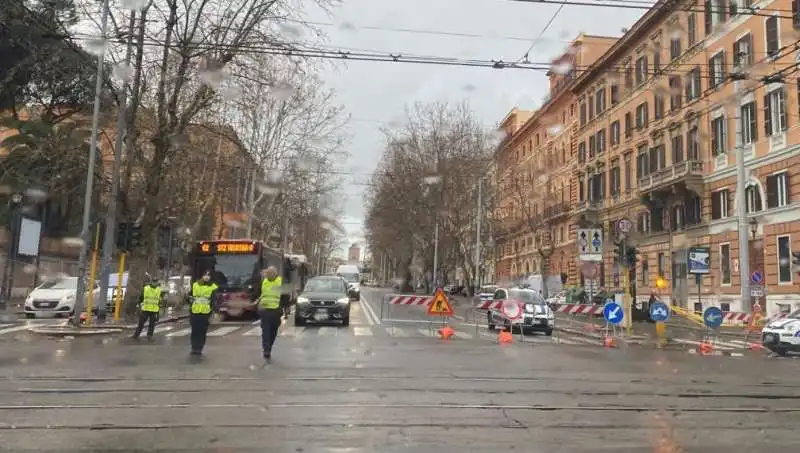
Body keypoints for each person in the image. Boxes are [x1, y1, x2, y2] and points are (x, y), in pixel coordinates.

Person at [252, 266, 286, 361]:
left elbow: (285, 297)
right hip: (265, 310)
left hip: (276, 311)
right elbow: (258, 293)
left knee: (273, 331)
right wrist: (254, 301)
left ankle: (269, 346)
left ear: (275, 274)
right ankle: (266, 349)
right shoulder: (263, 282)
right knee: (265, 331)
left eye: (271, 273)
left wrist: (285, 309)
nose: (269, 275)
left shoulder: (280, 282)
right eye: (268, 273)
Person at [187, 270, 219, 356]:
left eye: (208, 275)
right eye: (205, 274)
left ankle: (199, 348)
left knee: (202, 331)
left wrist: (214, 311)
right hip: (195, 311)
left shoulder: (213, 287)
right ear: (201, 276)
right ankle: (194, 347)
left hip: (205, 313)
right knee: (194, 330)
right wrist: (189, 300)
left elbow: (214, 300)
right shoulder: (195, 285)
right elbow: (189, 296)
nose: (206, 276)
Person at [132, 274, 164, 339]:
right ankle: (136, 335)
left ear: (157, 282)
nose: (154, 283)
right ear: (151, 282)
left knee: (152, 324)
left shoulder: (159, 290)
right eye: (153, 281)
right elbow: (141, 298)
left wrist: (160, 309)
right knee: (141, 323)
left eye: (156, 281)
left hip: (154, 310)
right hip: (145, 309)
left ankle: (149, 335)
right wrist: (139, 305)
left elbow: (160, 300)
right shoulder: (146, 288)